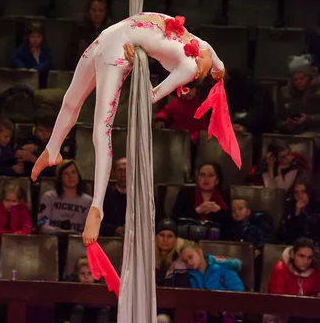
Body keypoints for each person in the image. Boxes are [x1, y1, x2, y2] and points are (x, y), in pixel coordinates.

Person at [31, 13, 228, 246]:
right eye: (205, 69)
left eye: (202, 73)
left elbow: (151, 96)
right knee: (70, 100)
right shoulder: (205, 48)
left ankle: (97, 207)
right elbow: (220, 67)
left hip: (118, 50)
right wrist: (217, 72)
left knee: (100, 126)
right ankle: (52, 149)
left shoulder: (189, 65)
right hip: (107, 38)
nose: (203, 68)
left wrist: (140, 68)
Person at [165, 240, 244, 293]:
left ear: (199, 252)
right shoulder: (188, 275)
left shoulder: (223, 266)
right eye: (185, 261)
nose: (189, 262)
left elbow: (238, 293)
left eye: (190, 257)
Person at [37, 160, 92, 235]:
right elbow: (42, 226)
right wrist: (62, 232)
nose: (70, 176)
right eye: (66, 173)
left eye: (73, 172)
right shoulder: (49, 197)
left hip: (79, 243)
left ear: (78, 176)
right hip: (53, 241)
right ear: (60, 178)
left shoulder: (88, 201)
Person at [172, 162, 229, 233]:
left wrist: (219, 211)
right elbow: (175, 218)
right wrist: (197, 211)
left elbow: (231, 225)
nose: (206, 179)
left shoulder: (224, 195)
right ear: (197, 178)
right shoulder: (185, 193)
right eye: (202, 175)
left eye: (210, 175)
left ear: (217, 180)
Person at [277, 55, 320, 134]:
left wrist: (309, 119)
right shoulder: (285, 93)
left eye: (301, 78)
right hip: (293, 134)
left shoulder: (317, 91)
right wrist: (287, 125)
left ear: (310, 77)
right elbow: (279, 120)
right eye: (295, 79)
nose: (298, 82)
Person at [0, 182, 32, 246]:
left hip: (17, 245)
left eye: (13, 201)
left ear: (20, 201)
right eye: (6, 200)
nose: (9, 204)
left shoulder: (23, 213)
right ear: (2, 200)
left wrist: (11, 238)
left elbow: (26, 230)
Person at [63, 258, 111, 323]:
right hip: (79, 312)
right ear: (77, 275)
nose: (86, 277)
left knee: (104, 310)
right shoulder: (72, 284)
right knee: (78, 308)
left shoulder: (102, 285)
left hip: (97, 313)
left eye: (90, 273)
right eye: (82, 273)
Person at [66, 0, 109, 70]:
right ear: (88, 11)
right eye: (94, 10)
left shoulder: (110, 30)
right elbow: (70, 56)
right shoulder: (79, 30)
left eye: (101, 10)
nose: (97, 13)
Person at [13, 21, 53, 88]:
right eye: (32, 36)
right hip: (25, 83)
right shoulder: (22, 50)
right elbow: (16, 59)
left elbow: (48, 63)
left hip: (44, 84)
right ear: (28, 37)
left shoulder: (46, 51)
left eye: (38, 36)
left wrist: (36, 69)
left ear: (43, 37)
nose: (35, 39)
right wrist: (22, 68)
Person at [100, 157, 127, 237]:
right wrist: (117, 230)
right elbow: (98, 222)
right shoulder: (104, 197)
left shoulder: (142, 199)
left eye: (126, 170)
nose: (123, 174)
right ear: (114, 173)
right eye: (120, 170)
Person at [155, 218, 179, 286]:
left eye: (170, 236)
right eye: (162, 235)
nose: (165, 240)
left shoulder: (180, 262)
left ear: (175, 239)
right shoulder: (147, 260)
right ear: (156, 237)